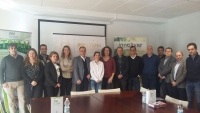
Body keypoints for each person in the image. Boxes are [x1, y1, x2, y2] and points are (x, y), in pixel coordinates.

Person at [0, 43, 25, 113]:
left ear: (16, 49)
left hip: (20, 82)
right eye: (12, 48)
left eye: (15, 48)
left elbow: (23, 69)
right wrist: (3, 82)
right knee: (11, 101)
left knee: (22, 99)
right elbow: (1, 71)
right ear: (9, 50)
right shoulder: (5, 59)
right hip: (9, 83)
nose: (13, 50)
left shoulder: (21, 58)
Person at [186, 43, 200, 111]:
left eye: (192, 49)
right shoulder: (187, 60)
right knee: (190, 100)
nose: (190, 51)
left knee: (199, 101)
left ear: (196, 49)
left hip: (198, 82)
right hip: (189, 82)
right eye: (189, 49)